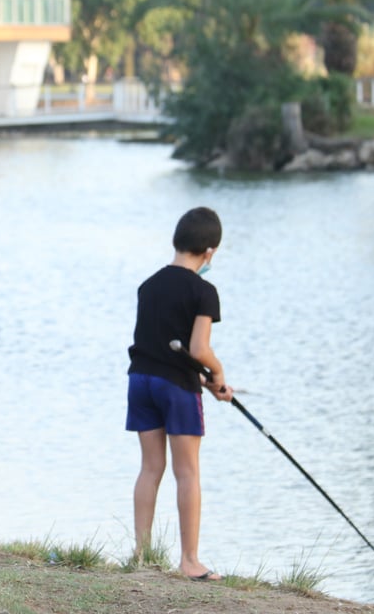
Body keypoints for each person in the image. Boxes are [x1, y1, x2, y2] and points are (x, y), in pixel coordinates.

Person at [125, 206, 232, 581]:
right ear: (210, 253)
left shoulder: (148, 285)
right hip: (175, 389)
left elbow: (162, 345)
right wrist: (217, 374)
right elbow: (199, 349)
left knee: (150, 468)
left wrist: (201, 377)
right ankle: (189, 562)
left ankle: (140, 556)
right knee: (187, 472)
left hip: (140, 381)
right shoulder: (204, 291)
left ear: (177, 241)